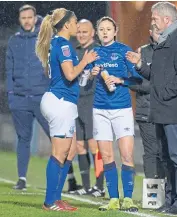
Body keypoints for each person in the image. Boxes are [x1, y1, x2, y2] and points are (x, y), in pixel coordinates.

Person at [126, 2, 177, 216]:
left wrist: (162, 95)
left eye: (154, 18)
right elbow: (155, 75)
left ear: (167, 19)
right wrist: (140, 65)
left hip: (173, 109)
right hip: (160, 110)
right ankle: (172, 200)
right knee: (165, 157)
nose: (152, 21)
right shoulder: (164, 42)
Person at [35, 8, 97, 211]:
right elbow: (70, 75)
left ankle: (57, 198)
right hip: (60, 102)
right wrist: (85, 62)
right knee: (59, 153)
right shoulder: (64, 45)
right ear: (68, 24)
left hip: (63, 101)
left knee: (69, 153)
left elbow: (64, 74)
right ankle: (49, 202)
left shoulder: (57, 43)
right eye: (76, 21)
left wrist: (85, 70)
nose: (78, 24)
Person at [90, 16, 142, 212]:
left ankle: (127, 199)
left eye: (108, 29)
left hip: (121, 109)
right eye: (101, 29)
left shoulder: (123, 50)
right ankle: (113, 199)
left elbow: (137, 79)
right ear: (97, 32)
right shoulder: (93, 53)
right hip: (100, 109)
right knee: (106, 155)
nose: (104, 32)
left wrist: (120, 80)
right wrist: (90, 73)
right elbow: (83, 82)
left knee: (127, 154)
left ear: (115, 31)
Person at [5, 4, 50, 190]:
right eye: (23, 18)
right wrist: (11, 96)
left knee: (56, 137)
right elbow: (9, 70)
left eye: (30, 17)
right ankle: (21, 178)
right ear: (19, 20)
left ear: (35, 18)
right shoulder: (13, 41)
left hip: (42, 98)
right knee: (23, 139)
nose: (26, 21)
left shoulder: (44, 38)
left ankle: (69, 176)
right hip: (20, 100)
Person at [68, 19, 105, 197]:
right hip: (76, 103)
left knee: (94, 145)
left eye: (85, 32)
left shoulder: (98, 51)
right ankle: (86, 186)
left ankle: (100, 186)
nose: (81, 35)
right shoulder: (74, 52)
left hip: (92, 102)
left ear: (93, 33)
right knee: (80, 145)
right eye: (79, 31)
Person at [128, 25, 165, 180]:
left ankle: (167, 191)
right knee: (151, 151)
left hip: (168, 111)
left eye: (163, 32)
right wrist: (155, 87)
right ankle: (153, 192)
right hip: (146, 111)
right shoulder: (141, 52)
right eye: (157, 32)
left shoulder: (173, 52)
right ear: (150, 33)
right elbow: (132, 82)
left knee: (166, 151)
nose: (161, 35)